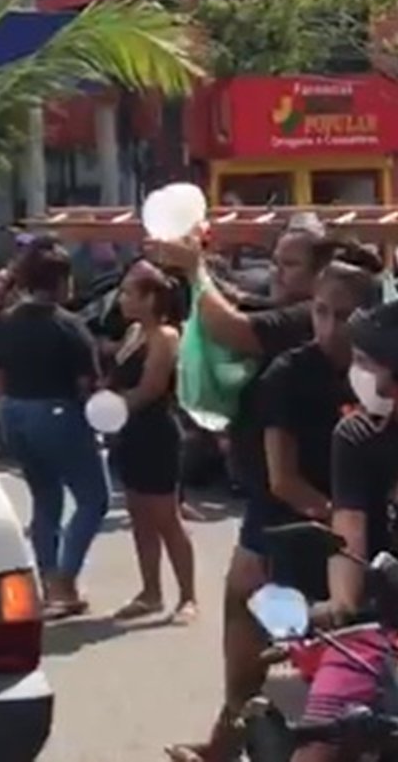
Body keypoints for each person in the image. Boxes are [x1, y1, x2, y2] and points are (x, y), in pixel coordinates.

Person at [157, 221, 355, 762]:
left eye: (290, 264)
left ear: (322, 277)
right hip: (285, 506)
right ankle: (228, 740)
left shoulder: (304, 329)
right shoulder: (296, 328)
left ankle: (238, 741)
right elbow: (242, 305)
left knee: (292, 629)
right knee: (257, 618)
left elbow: (235, 330)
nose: (277, 271)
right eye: (277, 260)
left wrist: (196, 272)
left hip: (312, 511)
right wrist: (206, 270)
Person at [290, 301, 398, 762]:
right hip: (382, 626)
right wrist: (340, 602)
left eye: (367, 363)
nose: (357, 372)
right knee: (317, 748)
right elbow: (347, 529)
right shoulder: (356, 436)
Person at [0, 241, 108, 618]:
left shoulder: (6, 319)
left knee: (46, 498)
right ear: (61, 281)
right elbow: (90, 382)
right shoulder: (67, 324)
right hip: (55, 411)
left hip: (14, 410)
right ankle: (64, 582)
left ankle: (47, 578)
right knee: (93, 498)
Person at [261, 262, 381, 602]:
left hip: (378, 541)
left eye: (343, 316)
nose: (329, 328)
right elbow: (283, 481)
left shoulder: (383, 369)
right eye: (320, 312)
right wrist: (344, 523)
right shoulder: (287, 376)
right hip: (308, 536)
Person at [108, 260, 197, 623]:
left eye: (130, 292)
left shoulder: (166, 336)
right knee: (138, 514)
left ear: (150, 298)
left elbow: (150, 389)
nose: (122, 298)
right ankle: (150, 591)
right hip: (129, 432)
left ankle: (188, 597)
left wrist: (108, 409)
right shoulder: (134, 333)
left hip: (156, 432)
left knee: (166, 518)